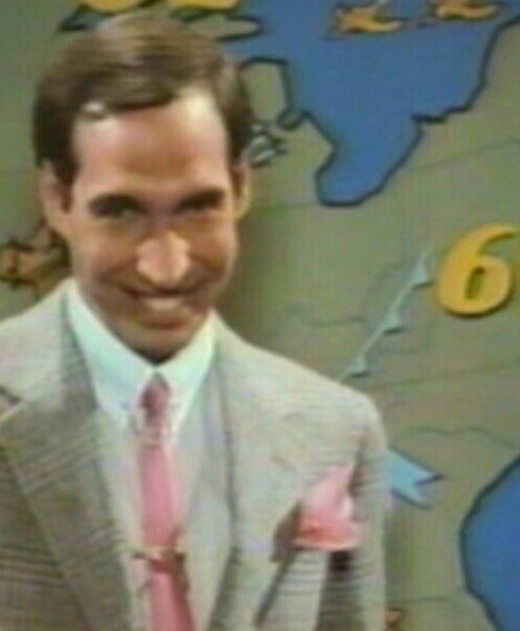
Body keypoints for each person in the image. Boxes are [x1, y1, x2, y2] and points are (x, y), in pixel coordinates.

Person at [0, 12, 388, 631]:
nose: (167, 265)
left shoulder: (336, 431)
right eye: (121, 212)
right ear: (57, 201)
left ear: (241, 187)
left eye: (197, 207)